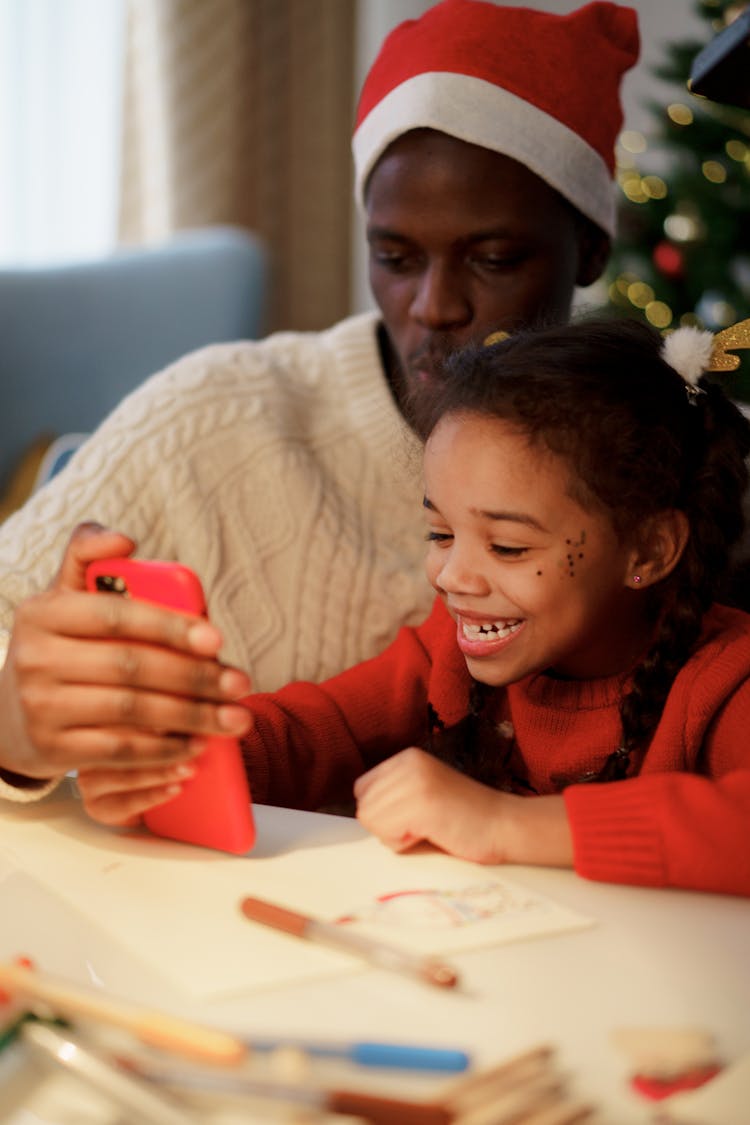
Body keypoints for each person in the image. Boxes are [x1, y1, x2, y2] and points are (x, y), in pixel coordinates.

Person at [0, 0, 639, 799]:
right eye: (395, 255)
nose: (435, 306)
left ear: (589, 250)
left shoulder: (656, 464)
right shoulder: (215, 416)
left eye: (496, 257)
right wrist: (14, 725)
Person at [79, 317, 750, 897]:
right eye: (440, 533)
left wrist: (499, 823)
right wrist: (177, 759)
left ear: (650, 549)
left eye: (508, 545)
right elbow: (316, 727)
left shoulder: (725, 677)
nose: (452, 575)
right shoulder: (449, 651)